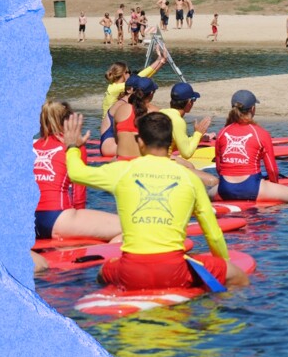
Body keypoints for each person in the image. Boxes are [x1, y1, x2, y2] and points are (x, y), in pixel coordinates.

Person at [63, 111, 248, 291]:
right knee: (238, 277)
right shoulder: (190, 178)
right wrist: (222, 263)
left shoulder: (122, 171)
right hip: (174, 272)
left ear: (141, 142)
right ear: (170, 142)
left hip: (130, 272)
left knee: (103, 273)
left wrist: (72, 147)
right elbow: (213, 234)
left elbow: (76, 173)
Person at [33, 101, 121, 242]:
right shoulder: (75, 147)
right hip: (58, 217)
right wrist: (78, 220)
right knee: (128, 229)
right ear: (70, 122)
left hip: (27, 219)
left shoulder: (32, 146)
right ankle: (104, 260)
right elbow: (78, 194)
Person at [215, 90, 288, 204]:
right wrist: (274, 189)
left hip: (225, 189)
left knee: (207, 194)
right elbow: (272, 170)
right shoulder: (261, 133)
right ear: (253, 109)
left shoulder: (222, 132)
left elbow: (219, 169)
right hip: (251, 187)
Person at [159, 82, 218, 191]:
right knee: (212, 181)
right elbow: (186, 153)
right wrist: (198, 134)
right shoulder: (178, 121)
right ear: (189, 102)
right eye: (194, 100)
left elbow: (174, 143)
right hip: (162, 162)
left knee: (190, 166)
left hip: (156, 157)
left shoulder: (162, 112)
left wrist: (197, 137)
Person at [112, 76, 159, 160]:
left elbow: (116, 140)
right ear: (151, 93)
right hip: (140, 164)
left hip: (121, 162)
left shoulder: (121, 109)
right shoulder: (156, 113)